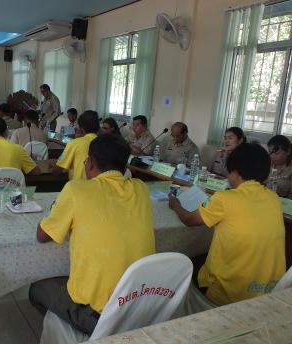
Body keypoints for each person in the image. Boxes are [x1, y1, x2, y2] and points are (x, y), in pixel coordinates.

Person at [29, 134, 155, 335]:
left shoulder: (76, 189)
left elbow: (42, 235)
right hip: (138, 306)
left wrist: (55, 208)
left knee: (37, 288)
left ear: (90, 164)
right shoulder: (141, 189)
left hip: (102, 317)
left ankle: (77, 330)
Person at [169, 143, 285, 306]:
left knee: (186, 262)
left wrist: (176, 205)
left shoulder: (225, 198)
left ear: (236, 171)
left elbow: (189, 220)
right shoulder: (273, 199)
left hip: (231, 292)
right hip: (267, 291)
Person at [54, 110, 100, 180]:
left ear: (81, 130)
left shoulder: (74, 143)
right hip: (100, 188)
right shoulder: (105, 144)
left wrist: (53, 166)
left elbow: (57, 170)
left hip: (78, 187)